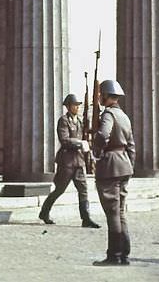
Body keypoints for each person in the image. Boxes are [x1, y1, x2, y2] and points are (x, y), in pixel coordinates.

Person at [38, 93, 101, 229]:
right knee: (59, 189)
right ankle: (44, 212)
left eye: (78, 105)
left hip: (78, 162)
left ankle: (86, 218)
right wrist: (80, 143)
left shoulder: (79, 121)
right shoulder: (63, 121)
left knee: (83, 189)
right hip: (66, 162)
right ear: (68, 106)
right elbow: (64, 140)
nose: (77, 108)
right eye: (74, 105)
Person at [92, 80, 135, 267]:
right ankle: (124, 254)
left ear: (107, 96)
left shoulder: (108, 114)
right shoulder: (124, 116)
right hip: (124, 165)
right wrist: (129, 166)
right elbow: (132, 146)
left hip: (110, 166)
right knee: (120, 213)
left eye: (101, 94)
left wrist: (97, 151)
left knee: (112, 213)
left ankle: (114, 255)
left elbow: (103, 135)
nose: (100, 97)